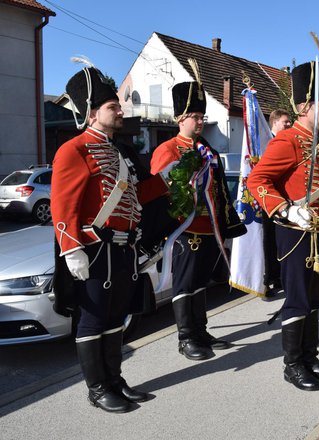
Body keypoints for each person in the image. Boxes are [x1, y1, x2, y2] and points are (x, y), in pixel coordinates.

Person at [51, 65, 171, 413]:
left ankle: (115, 379)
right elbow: (63, 206)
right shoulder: (74, 150)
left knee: (117, 317)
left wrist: (167, 182)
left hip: (123, 248)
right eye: (112, 106)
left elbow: (132, 196)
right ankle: (98, 388)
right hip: (94, 249)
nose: (120, 110)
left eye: (118, 105)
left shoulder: (118, 153)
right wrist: (72, 250)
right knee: (93, 319)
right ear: (92, 113)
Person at [247, 61, 319, 391]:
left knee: (314, 298)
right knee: (297, 299)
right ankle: (293, 364)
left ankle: (310, 358)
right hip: (295, 235)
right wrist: (286, 210)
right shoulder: (288, 141)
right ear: (305, 107)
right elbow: (257, 180)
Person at [151, 64, 247, 361]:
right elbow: (158, 191)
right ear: (181, 118)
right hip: (183, 230)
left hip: (210, 228)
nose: (200, 121)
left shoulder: (207, 149)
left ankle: (201, 330)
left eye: (202, 116)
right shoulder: (168, 149)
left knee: (201, 282)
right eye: (195, 116)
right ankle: (185, 337)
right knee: (185, 283)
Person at [261, 109, 292, 300]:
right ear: (274, 123)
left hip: (285, 201)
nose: (289, 125)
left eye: (290, 123)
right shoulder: (265, 144)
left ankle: (280, 277)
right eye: (285, 122)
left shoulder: (287, 143)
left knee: (282, 242)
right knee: (268, 242)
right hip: (268, 201)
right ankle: (267, 280)